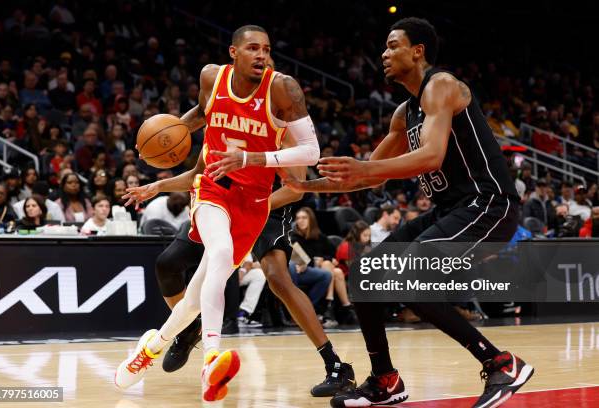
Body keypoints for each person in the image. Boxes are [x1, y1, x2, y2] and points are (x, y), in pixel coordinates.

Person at [284, 18, 533, 408]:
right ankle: (385, 379)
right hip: (451, 209)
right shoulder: (404, 112)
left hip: (489, 204)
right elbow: (365, 178)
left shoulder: (443, 85)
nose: (384, 53)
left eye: (393, 45)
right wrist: (304, 187)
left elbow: (430, 155)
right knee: (366, 272)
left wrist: (365, 168)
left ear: (417, 51)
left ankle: (502, 363)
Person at [114, 25, 321, 403]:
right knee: (221, 252)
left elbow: (311, 152)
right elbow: (201, 113)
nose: (261, 55)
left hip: (254, 204)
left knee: (194, 299)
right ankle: (212, 359)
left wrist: (254, 158)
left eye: (267, 49)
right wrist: (173, 134)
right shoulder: (212, 77)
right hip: (212, 189)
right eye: (253, 48)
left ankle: (150, 349)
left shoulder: (283, 88)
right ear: (233, 53)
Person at [291, 207, 355, 327]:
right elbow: (301, 261)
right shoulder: (294, 238)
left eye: (304, 218)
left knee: (336, 271)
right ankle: (335, 306)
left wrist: (323, 259)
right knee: (331, 269)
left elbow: (333, 255)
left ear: (311, 220)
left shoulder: (320, 237)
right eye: (298, 218)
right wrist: (321, 260)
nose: (300, 221)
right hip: (306, 270)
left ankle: (334, 305)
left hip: (323, 269)